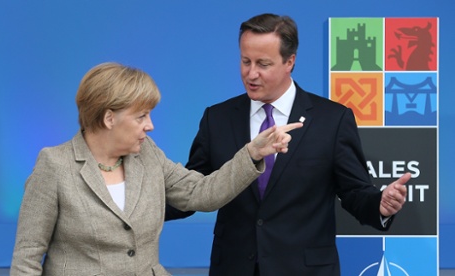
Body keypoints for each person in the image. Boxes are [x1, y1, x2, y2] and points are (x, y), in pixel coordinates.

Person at [165, 13, 409, 275]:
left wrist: (379, 205)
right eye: (245, 61)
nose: (251, 73)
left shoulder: (332, 119)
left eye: (263, 64)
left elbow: (354, 191)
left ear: (289, 62)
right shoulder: (217, 118)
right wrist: (136, 206)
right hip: (234, 267)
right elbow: (192, 189)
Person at [10, 62, 302, 276]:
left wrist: (252, 153)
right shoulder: (54, 165)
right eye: (141, 116)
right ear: (109, 118)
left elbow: (201, 193)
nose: (150, 126)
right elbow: (26, 259)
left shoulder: (147, 154)